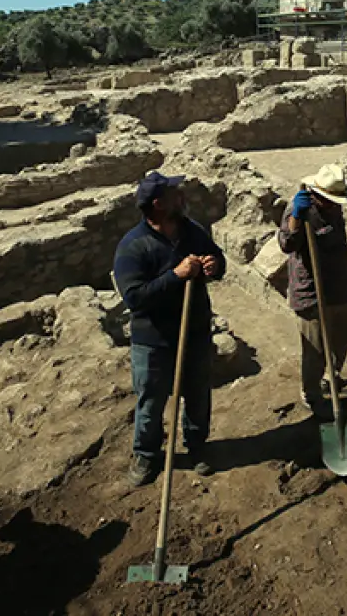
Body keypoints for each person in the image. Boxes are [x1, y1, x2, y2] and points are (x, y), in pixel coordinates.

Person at [113, 171, 226, 486]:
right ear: (159, 203)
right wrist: (175, 275)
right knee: (151, 402)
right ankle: (147, 455)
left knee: (198, 396)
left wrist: (213, 266)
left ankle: (197, 447)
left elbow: (218, 259)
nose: (183, 195)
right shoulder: (134, 247)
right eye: (176, 192)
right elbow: (135, 298)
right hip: (154, 342)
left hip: (194, 332)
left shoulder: (193, 232)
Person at [277, 164, 347, 412]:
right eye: (331, 201)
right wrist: (295, 221)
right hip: (311, 289)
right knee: (314, 348)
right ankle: (311, 393)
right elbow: (287, 245)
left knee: (343, 334)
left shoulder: (334, 209)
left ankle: (331, 379)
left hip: (339, 284)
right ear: (318, 196)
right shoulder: (299, 209)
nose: (336, 206)